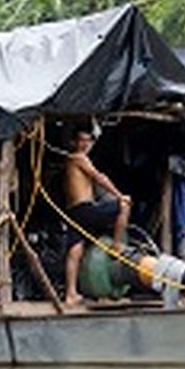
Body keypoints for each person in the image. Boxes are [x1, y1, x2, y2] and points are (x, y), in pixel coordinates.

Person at [63, 127, 131, 306]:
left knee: (75, 250)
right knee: (124, 205)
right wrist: (119, 195)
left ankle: (71, 294)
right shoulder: (78, 158)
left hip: (74, 211)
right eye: (81, 140)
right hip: (85, 209)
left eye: (88, 141)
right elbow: (99, 178)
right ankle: (117, 246)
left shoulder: (70, 161)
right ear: (74, 143)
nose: (85, 144)